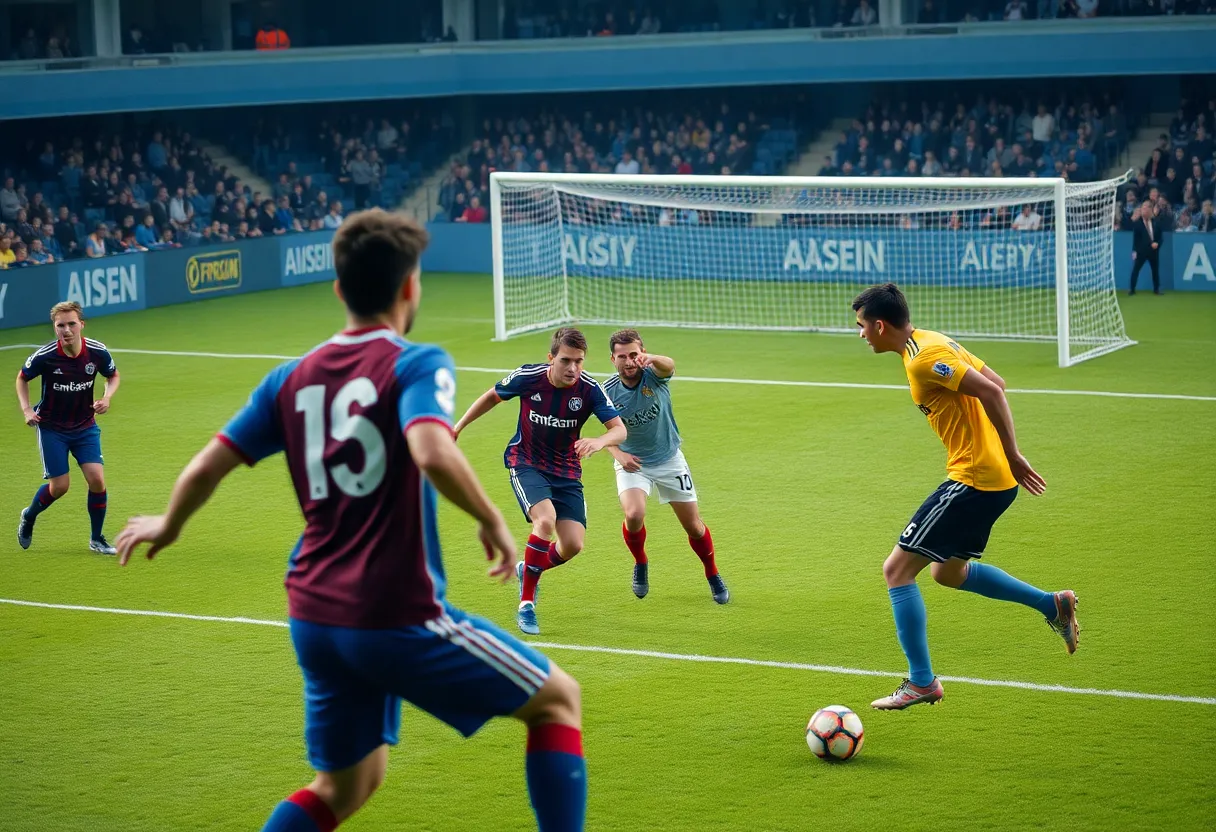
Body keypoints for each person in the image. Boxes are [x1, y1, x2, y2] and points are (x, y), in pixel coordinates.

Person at [114, 210, 587, 832]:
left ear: (339, 289)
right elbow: (430, 447)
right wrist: (491, 518)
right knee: (558, 701)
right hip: (391, 613)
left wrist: (169, 524)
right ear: (411, 288)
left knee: (346, 784)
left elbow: (209, 464)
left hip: (313, 616)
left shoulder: (288, 378)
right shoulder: (416, 363)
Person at [850, 283, 1079, 711]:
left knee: (897, 571)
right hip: (991, 481)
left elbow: (991, 391)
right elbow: (997, 379)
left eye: (862, 326)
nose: (861, 334)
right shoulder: (934, 340)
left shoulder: (924, 360)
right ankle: (1052, 604)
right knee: (948, 574)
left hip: (973, 479)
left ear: (880, 325)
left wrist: (1012, 453)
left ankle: (921, 682)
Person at [454, 328, 626, 636]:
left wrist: (600, 442)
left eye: (579, 361)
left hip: (567, 471)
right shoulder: (528, 377)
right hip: (527, 463)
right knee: (545, 520)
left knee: (572, 545)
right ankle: (526, 605)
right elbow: (492, 397)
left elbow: (619, 430)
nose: (573, 368)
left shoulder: (589, 389)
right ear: (551, 359)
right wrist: (459, 427)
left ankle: (527, 568)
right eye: (566, 361)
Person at [602, 329, 729, 604]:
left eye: (634, 354)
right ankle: (641, 562)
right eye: (622, 356)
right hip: (633, 463)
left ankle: (712, 573)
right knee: (634, 514)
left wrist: (651, 358)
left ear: (642, 353)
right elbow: (607, 431)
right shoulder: (606, 391)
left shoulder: (653, 376)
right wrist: (617, 454)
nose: (628, 361)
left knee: (693, 527)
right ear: (613, 359)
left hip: (669, 459)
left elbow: (669, 366)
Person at [15, 302, 120, 555]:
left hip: (85, 426)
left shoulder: (97, 352)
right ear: (55, 328)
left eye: (71, 324)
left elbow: (113, 375)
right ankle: (29, 515)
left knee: (97, 480)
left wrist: (107, 398)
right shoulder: (45, 356)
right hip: (52, 428)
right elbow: (22, 378)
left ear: (81, 324)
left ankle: (96, 539)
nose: (66, 330)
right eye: (60, 325)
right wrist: (27, 410)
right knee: (60, 487)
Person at [1130, 200, 1164, 296]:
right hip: (1142, 251)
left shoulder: (1156, 222)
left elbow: (1161, 237)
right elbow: (1136, 239)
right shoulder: (1138, 223)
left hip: (1153, 251)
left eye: (1146, 208)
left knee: (1155, 271)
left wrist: (1157, 244)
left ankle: (1156, 289)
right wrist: (1134, 251)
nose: (1143, 210)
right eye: (1142, 208)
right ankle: (1132, 290)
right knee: (1136, 270)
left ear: (1150, 210)